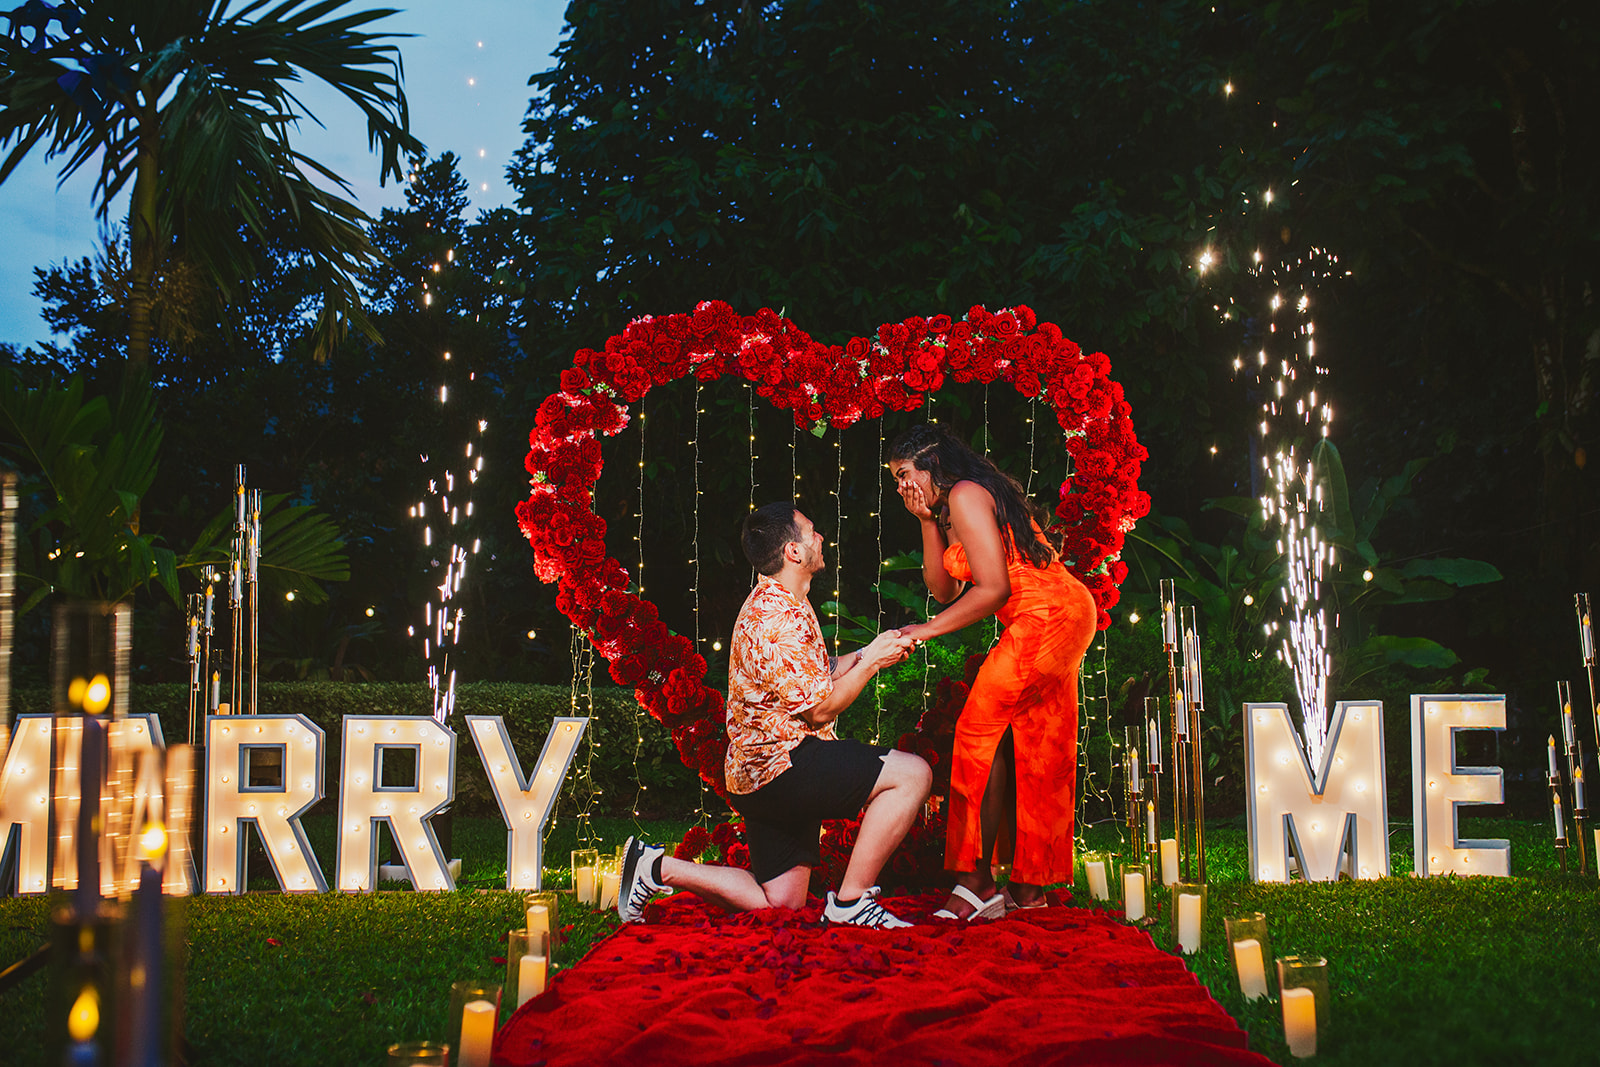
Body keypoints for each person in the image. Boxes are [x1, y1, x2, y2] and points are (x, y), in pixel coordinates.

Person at [618, 502, 931, 928]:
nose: (820, 538)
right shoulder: (776, 617)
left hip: (758, 773)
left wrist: (869, 651)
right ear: (793, 552)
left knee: (781, 903)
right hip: (782, 766)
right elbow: (820, 709)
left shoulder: (785, 600)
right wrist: (873, 662)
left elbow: (815, 673)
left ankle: (656, 868)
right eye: (812, 532)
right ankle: (852, 902)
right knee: (913, 774)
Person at [888, 423, 1097, 920]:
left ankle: (976, 883)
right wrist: (925, 521)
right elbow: (944, 589)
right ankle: (1030, 889)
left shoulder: (965, 493)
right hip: (1059, 613)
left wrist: (925, 631)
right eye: (895, 479)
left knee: (975, 734)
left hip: (1046, 616)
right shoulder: (951, 508)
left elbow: (995, 589)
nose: (900, 486)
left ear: (932, 464)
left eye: (903, 474)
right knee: (1038, 742)